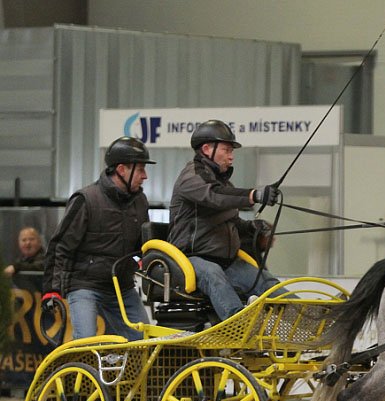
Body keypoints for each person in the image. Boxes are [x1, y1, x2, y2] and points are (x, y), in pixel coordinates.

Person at [168, 119, 282, 321]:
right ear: (206, 149)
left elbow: (232, 220)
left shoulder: (223, 182)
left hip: (226, 261)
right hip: (191, 258)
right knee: (213, 275)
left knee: (265, 281)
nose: (231, 157)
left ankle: (312, 317)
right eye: (227, 150)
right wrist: (254, 195)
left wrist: (253, 227)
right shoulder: (192, 177)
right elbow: (215, 196)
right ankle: (238, 326)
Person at [42, 137, 154, 341]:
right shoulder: (86, 200)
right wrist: (51, 289)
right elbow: (61, 246)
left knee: (144, 342)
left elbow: (144, 246)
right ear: (121, 170)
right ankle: (79, 372)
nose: (145, 176)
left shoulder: (140, 201)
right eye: (140, 169)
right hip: (85, 285)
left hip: (122, 286)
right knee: (86, 342)